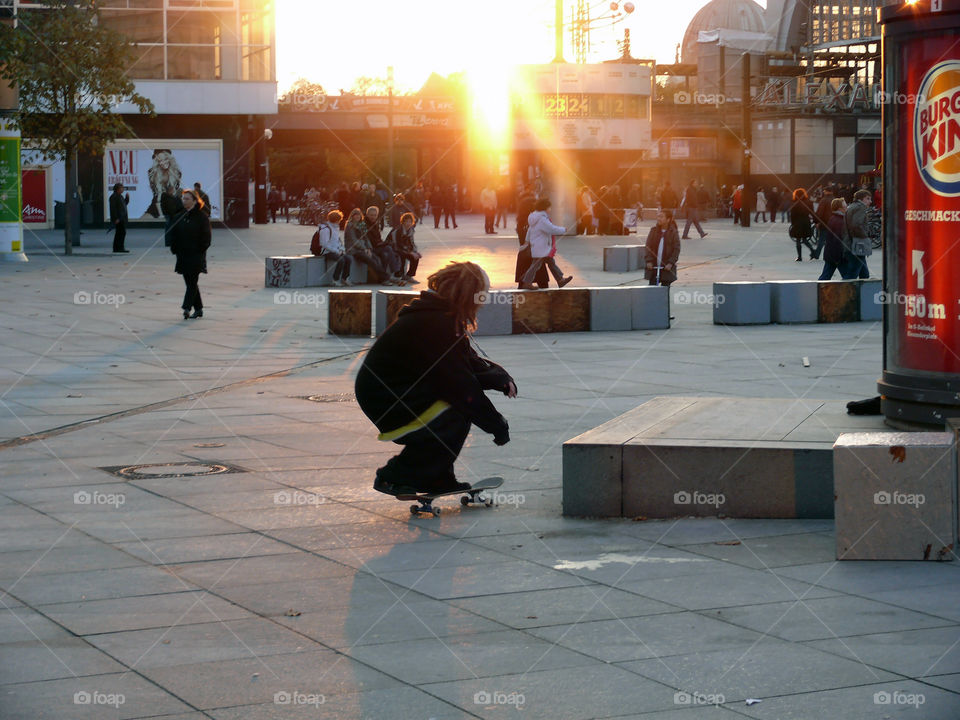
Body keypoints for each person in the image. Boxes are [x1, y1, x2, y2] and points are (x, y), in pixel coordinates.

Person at [355, 261, 516, 496]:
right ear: (468, 295)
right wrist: (496, 424)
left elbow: (467, 360)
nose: (482, 303)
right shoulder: (435, 323)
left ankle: (437, 478)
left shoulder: (441, 317)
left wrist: (500, 379)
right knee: (453, 415)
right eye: (482, 296)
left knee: (453, 413)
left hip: (398, 390)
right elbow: (460, 385)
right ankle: (394, 476)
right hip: (385, 396)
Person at [170, 189, 211, 319]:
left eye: (187, 199)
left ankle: (187, 307)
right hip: (182, 255)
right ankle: (198, 309)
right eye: (183, 198)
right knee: (189, 282)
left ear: (194, 200)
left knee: (192, 282)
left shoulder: (201, 217)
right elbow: (173, 234)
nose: (184, 201)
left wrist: (200, 250)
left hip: (196, 255)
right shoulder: (179, 216)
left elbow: (206, 237)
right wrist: (174, 249)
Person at [518, 198, 573, 289]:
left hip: (538, 246)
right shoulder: (542, 219)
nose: (550, 209)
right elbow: (551, 229)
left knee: (550, 262)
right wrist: (564, 230)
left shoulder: (534, 217)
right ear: (545, 208)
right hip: (541, 247)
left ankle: (560, 280)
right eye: (549, 207)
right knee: (536, 266)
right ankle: (527, 282)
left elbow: (529, 230)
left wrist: (527, 241)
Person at [514, 188, 548, 289]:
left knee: (522, 287)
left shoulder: (521, 223)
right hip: (534, 257)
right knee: (543, 284)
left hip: (525, 257)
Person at [344, 208, 388, 284]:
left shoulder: (362, 225)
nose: (357, 217)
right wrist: (364, 249)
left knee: (376, 258)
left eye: (359, 215)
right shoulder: (350, 225)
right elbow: (354, 241)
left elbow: (366, 238)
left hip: (364, 249)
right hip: (354, 250)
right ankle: (385, 278)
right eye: (356, 215)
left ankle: (380, 278)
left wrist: (369, 248)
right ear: (352, 216)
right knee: (371, 261)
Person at [364, 206, 405, 285]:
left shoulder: (375, 223)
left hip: (377, 246)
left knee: (386, 255)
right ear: (367, 214)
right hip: (370, 248)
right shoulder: (365, 225)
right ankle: (395, 272)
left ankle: (385, 278)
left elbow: (378, 238)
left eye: (375, 215)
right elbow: (370, 240)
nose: (373, 217)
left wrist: (382, 243)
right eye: (371, 215)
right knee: (388, 249)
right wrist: (383, 243)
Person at [645, 209, 681, 286]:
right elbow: (648, 246)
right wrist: (649, 261)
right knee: (652, 288)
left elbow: (676, 249)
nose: (659, 219)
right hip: (654, 266)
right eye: (658, 216)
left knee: (665, 290)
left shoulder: (673, 232)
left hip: (666, 267)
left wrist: (670, 263)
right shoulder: (653, 231)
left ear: (668, 219)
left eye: (661, 217)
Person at [317, 209, 352, 286]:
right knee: (341, 260)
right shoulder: (325, 229)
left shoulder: (335, 228)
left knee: (349, 259)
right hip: (326, 251)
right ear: (336, 220)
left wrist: (341, 249)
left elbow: (338, 240)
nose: (339, 222)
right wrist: (336, 251)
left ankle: (344, 278)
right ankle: (335, 279)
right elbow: (324, 244)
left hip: (336, 250)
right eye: (339, 220)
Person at [844, 189, 873, 279]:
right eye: (867, 198)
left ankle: (864, 291)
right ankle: (846, 291)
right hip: (858, 244)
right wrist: (865, 237)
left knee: (864, 274)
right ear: (861, 199)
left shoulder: (851, 206)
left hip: (851, 242)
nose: (870, 201)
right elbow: (856, 225)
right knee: (852, 274)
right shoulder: (860, 207)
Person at [818, 197, 849, 281]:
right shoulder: (839, 221)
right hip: (837, 255)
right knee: (848, 277)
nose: (847, 207)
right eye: (845, 206)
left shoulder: (834, 218)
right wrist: (838, 257)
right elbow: (837, 241)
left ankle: (816, 291)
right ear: (840, 208)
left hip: (831, 254)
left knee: (825, 276)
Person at [387, 212, 421, 283]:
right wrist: (410, 252)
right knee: (402, 255)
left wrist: (415, 251)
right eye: (407, 221)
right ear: (403, 222)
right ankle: (399, 275)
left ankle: (409, 275)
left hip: (404, 248)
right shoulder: (398, 230)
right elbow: (398, 244)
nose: (408, 223)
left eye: (410, 222)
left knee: (416, 257)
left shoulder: (410, 230)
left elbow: (411, 243)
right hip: (393, 247)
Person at [788, 188, 815, 262]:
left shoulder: (794, 203)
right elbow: (812, 213)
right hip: (806, 222)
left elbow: (792, 215)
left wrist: (793, 224)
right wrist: (815, 221)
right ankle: (812, 251)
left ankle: (799, 257)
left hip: (797, 222)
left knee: (798, 239)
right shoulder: (809, 202)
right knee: (805, 239)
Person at [811, 187, 835, 260]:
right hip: (834, 223)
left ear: (826, 192)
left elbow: (820, 213)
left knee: (821, 240)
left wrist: (816, 221)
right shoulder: (835, 200)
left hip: (825, 223)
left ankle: (817, 254)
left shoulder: (824, 200)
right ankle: (830, 255)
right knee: (831, 241)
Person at [108, 182, 130, 253]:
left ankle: (120, 247)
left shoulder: (120, 196)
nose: (123, 189)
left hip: (122, 218)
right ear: (118, 189)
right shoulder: (114, 197)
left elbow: (124, 204)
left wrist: (127, 198)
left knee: (122, 233)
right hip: (119, 219)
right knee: (119, 233)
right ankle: (117, 248)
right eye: (122, 188)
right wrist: (116, 218)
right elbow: (113, 209)